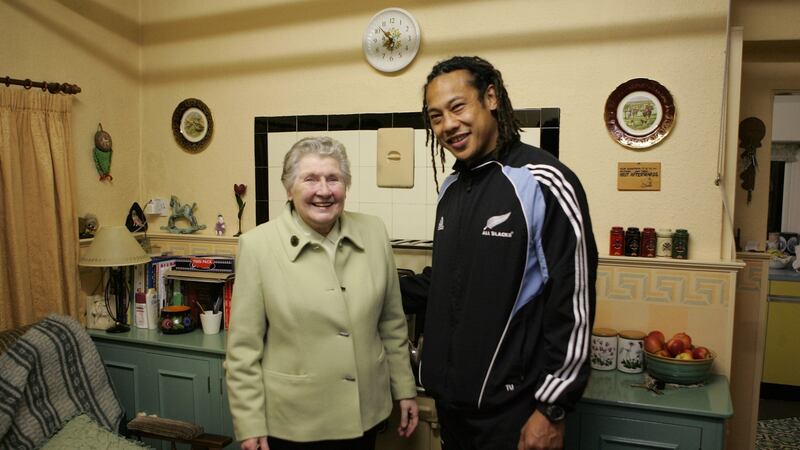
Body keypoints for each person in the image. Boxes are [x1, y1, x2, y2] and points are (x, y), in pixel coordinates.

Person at [412, 56, 598, 450]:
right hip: (453, 406)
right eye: (435, 116)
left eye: (458, 107)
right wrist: (366, 284)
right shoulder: (450, 189)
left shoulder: (543, 179)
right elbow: (447, 281)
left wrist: (551, 409)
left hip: (515, 413)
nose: (448, 125)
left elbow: (573, 300)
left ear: (491, 97)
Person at [225, 137, 419, 450]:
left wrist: (405, 389)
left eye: (334, 178)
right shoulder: (258, 246)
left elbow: (392, 324)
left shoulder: (374, 232)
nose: (324, 191)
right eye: (310, 179)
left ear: (347, 185)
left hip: (364, 416)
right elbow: (243, 352)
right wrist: (249, 424)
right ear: (289, 188)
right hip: (293, 425)